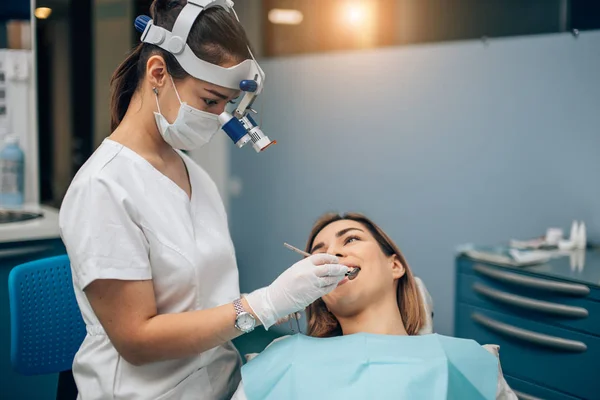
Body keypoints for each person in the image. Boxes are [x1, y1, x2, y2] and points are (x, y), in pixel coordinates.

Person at [58, 1, 349, 399]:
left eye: (226, 105)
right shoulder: (103, 187)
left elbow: (207, 300)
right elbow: (137, 341)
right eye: (210, 101)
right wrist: (264, 305)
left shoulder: (197, 178)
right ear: (158, 73)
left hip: (222, 383)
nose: (217, 118)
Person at [232, 213, 518, 400]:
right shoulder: (277, 363)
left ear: (394, 265)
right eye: (319, 253)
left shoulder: (467, 363)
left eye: (352, 238)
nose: (333, 254)